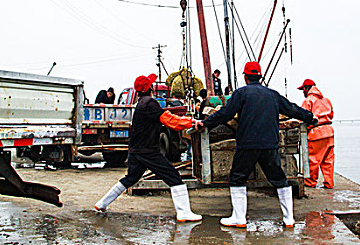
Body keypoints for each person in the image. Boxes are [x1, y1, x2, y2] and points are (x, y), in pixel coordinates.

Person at [198, 62, 316, 228]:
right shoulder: (273, 95)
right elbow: (291, 109)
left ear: (245, 77)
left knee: (238, 177)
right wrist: (310, 117)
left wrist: (205, 123)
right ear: (260, 77)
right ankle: (289, 219)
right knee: (279, 179)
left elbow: (225, 114)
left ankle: (239, 218)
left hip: (248, 144)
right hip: (270, 144)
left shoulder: (241, 94)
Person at [94, 73, 202, 222]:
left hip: (135, 150)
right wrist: (191, 122)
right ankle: (184, 213)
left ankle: (101, 203)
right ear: (150, 88)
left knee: (131, 178)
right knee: (173, 176)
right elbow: (169, 120)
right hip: (148, 151)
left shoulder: (141, 104)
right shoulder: (150, 103)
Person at [298, 79, 335, 189]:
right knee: (328, 160)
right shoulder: (326, 100)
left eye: (302, 90)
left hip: (316, 132)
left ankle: (310, 182)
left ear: (306, 89)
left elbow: (302, 117)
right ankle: (329, 183)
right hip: (329, 131)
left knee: (313, 159)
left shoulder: (309, 100)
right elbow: (331, 115)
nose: (303, 92)